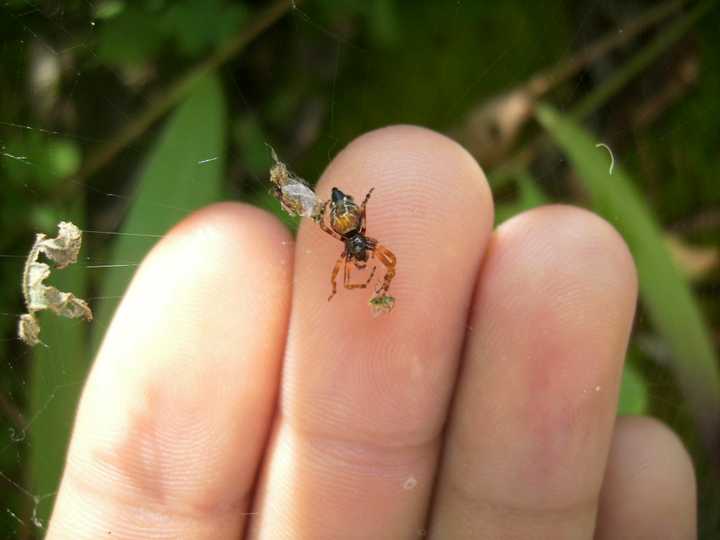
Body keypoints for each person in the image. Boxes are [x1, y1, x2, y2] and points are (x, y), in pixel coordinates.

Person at [47, 126, 696, 539]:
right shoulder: (349, 234)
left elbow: (376, 252)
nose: (363, 258)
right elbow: (359, 242)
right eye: (361, 257)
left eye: (362, 258)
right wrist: (353, 276)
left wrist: (367, 279)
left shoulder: (362, 240)